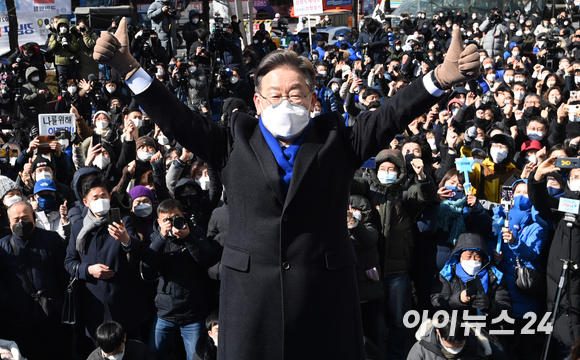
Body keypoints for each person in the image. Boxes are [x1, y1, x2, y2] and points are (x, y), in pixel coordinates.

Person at [93, 18, 479, 359]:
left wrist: (438, 80)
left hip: (324, 295)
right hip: (251, 300)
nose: (286, 102)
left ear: (312, 99)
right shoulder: (231, 143)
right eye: (275, 95)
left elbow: (389, 116)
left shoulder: (337, 141)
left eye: (295, 93)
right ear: (258, 102)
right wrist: (129, 70)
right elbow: (176, 118)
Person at [64, 175, 150, 341]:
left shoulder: (123, 221)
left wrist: (125, 240)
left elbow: (137, 250)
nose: (100, 200)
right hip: (94, 304)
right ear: (86, 202)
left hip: (123, 300)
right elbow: (69, 262)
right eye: (95, 197)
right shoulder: (78, 228)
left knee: (129, 347)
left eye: (103, 196)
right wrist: (88, 270)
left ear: (110, 197)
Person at [141, 198, 218, 360]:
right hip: (164, 311)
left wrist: (188, 237)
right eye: (166, 220)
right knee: (152, 355)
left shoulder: (195, 232)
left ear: (182, 216)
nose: (171, 223)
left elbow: (207, 261)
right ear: (159, 221)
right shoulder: (155, 237)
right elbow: (147, 269)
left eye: (175, 218)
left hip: (193, 312)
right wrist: (161, 238)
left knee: (196, 356)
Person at [0, 201, 69, 359]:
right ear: (9, 222)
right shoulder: (2, 248)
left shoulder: (52, 240)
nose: (21, 222)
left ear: (33, 217)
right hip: (18, 322)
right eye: (16, 220)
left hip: (52, 317)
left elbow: (64, 276)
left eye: (25, 217)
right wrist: (8, 302)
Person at [87, 320, 156, 360]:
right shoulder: (93, 358)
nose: (114, 357)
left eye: (118, 353)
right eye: (108, 356)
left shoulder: (141, 351)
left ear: (124, 337)